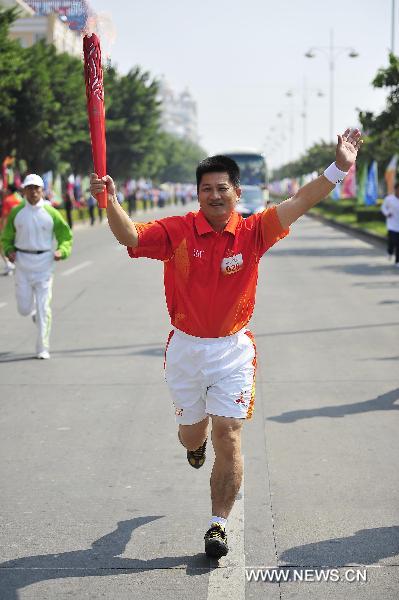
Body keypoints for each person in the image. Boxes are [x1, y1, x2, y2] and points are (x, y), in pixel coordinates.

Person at [90, 128, 362, 559]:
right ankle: (193, 446)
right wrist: (111, 202)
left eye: (222, 188)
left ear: (236, 191)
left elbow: (302, 201)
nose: (215, 195)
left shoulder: (255, 231)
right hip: (185, 348)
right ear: (198, 195)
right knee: (192, 434)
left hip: (232, 350)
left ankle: (218, 524)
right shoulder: (178, 231)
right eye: (206, 189)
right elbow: (130, 237)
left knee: (229, 435)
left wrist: (339, 167)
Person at [1, 174, 73, 359]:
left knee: (44, 308)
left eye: (37, 188)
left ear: (42, 190)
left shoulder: (51, 213)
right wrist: (9, 249)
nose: (33, 192)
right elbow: (7, 236)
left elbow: (65, 236)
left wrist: (62, 251)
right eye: (29, 188)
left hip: (44, 265)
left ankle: (42, 347)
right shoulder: (17, 212)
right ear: (24, 190)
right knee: (24, 309)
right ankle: (32, 312)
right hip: (23, 264)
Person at [0, 183, 23, 275]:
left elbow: (5, 216)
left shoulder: (7, 200)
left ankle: (9, 264)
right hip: (19, 226)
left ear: (9, 190)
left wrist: (3, 229)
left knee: (3, 246)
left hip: (9, 227)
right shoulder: (19, 199)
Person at [381, 182, 399, 267]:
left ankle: (397, 261)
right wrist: (387, 213)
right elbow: (383, 207)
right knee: (393, 241)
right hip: (391, 225)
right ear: (395, 189)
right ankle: (390, 251)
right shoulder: (389, 199)